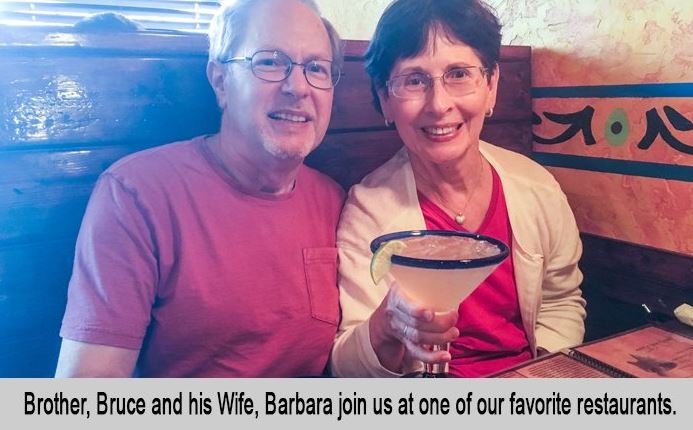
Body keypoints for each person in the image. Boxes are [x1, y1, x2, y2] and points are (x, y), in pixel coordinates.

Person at [55, 0, 345, 377]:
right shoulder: (136, 194)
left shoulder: (334, 201)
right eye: (270, 61)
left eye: (316, 68)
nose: (298, 87)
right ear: (221, 81)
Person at [330, 0, 585, 377]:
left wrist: (540, 377)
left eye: (459, 74)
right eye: (414, 80)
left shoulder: (537, 188)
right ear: (385, 100)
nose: (439, 104)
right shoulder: (368, 212)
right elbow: (347, 369)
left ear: (491, 86)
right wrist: (384, 326)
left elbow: (560, 302)